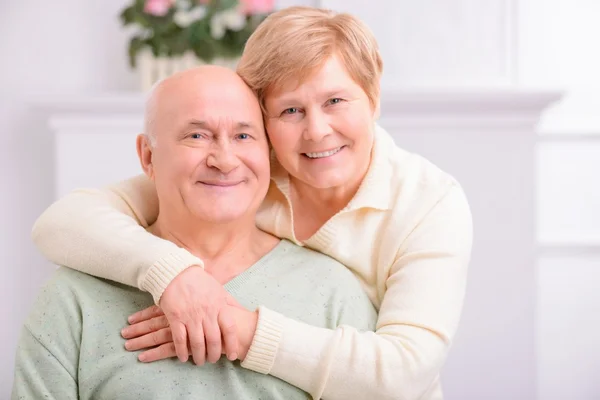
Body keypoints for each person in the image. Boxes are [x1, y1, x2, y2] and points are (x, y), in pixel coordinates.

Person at [31, 6, 473, 400]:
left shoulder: (429, 203)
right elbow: (65, 222)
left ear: (373, 98)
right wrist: (174, 275)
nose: (317, 131)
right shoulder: (244, 173)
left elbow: (404, 373)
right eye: (290, 111)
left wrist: (235, 328)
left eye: (335, 101)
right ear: (265, 126)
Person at [13, 66, 377, 399]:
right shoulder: (72, 299)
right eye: (197, 135)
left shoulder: (333, 291)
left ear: (268, 153)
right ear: (148, 157)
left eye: (243, 135)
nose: (224, 159)